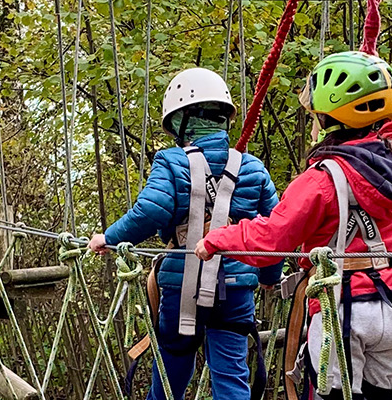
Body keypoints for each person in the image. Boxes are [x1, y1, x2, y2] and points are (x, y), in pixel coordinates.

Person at [194, 51, 392, 400]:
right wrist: (373, 64)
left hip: (341, 311)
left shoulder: (319, 181)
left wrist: (218, 239)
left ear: (329, 117)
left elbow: (273, 237)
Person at [87, 67, 282, 400]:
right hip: (236, 288)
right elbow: (275, 231)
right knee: (232, 374)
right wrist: (268, 275)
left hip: (182, 288)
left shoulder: (172, 161)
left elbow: (152, 211)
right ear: (224, 118)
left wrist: (110, 237)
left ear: (181, 121)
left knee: (172, 366)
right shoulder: (252, 167)